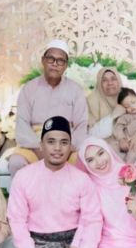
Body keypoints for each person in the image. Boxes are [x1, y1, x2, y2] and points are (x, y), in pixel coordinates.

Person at [7, 116, 105, 248]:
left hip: (69, 244)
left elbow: (92, 220)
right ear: (41, 145)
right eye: (51, 141)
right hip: (36, 244)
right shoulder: (23, 177)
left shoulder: (81, 179)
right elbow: (16, 220)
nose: (58, 148)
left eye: (64, 142)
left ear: (70, 147)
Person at [8, 39, 87, 178]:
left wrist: (66, 148)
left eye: (60, 61)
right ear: (43, 60)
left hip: (66, 146)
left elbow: (81, 124)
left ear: (65, 65)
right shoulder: (29, 89)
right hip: (35, 146)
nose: (55, 64)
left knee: (82, 162)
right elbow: (22, 123)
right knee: (16, 162)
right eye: (51, 59)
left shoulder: (76, 90)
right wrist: (41, 148)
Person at [86, 67, 125, 139]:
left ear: (119, 81)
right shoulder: (90, 102)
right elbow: (90, 135)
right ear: (99, 84)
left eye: (113, 79)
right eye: (104, 80)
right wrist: (112, 117)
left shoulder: (127, 97)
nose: (110, 83)